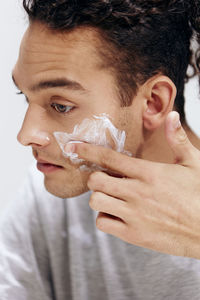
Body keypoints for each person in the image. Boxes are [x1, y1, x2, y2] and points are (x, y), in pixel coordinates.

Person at [1, 0, 200, 299]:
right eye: (25, 96)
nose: (26, 135)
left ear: (154, 102)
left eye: (61, 106)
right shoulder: (49, 202)